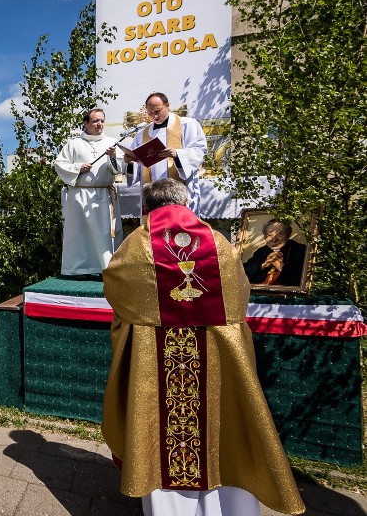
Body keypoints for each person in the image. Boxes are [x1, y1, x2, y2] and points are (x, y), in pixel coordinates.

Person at [101, 179, 305, 516]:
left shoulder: (137, 245)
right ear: (187, 203)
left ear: (146, 208)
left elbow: (116, 287)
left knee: (160, 447)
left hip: (154, 361)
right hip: (217, 361)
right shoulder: (220, 244)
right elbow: (240, 297)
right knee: (224, 435)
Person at [54, 108, 124, 277]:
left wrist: (112, 156)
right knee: (79, 234)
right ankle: (78, 269)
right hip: (78, 196)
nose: (99, 124)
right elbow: (59, 164)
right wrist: (78, 167)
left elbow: (117, 170)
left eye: (101, 121)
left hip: (102, 196)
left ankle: (106, 268)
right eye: (95, 121)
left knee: (104, 233)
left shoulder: (112, 142)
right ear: (86, 123)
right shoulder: (73, 144)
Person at [126, 93, 207, 214]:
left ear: (167, 106)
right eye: (150, 113)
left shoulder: (187, 125)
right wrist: (131, 162)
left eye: (158, 111)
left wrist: (178, 154)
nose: (154, 116)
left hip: (180, 190)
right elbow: (139, 164)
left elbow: (199, 150)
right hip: (153, 195)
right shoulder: (142, 134)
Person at [243, 219, 307, 287]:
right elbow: (243, 272)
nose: (274, 239)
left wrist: (280, 267)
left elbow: (301, 280)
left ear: (288, 234)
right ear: (265, 237)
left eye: (280, 234)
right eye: (269, 235)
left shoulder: (300, 250)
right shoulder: (262, 251)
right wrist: (263, 265)